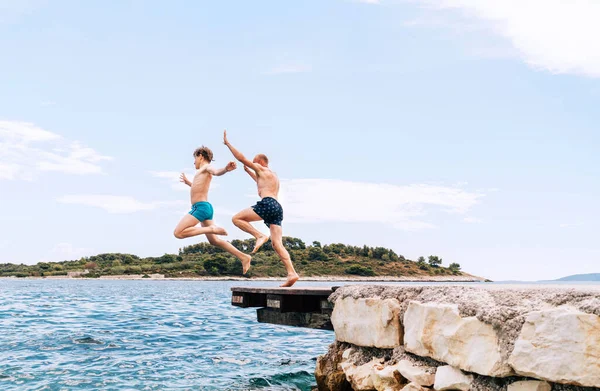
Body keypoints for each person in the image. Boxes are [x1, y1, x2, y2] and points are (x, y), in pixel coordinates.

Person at [223, 130, 299, 287]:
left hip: (268, 204)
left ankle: (258, 235)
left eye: (255, 162)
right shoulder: (272, 174)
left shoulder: (261, 168)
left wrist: (228, 144)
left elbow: (241, 158)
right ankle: (292, 273)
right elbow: (260, 182)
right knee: (277, 244)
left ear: (261, 162)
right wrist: (249, 171)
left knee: (236, 219)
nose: (253, 164)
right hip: (277, 208)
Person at [174, 145, 252, 273]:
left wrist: (226, 169)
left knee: (178, 233)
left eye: (195, 158)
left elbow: (216, 172)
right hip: (206, 208)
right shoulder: (200, 173)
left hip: (200, 207)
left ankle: (212, 229)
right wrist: (188, 182)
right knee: (215, 241)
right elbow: (197, 187)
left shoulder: (206, 167)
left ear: (200, 156)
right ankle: (243, 257)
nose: (194, 162)